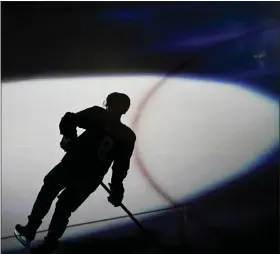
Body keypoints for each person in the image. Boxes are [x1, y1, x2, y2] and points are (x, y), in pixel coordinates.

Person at [14, 92, 136, 254]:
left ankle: (31, 228)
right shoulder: (127, 136)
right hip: (91, 177)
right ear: (125, 110)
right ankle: (49, 244)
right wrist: (116, 190)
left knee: (49, 189)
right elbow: (120, 167)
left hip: (72, 164)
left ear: (107, 104)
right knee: (64, 207)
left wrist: (70, 138)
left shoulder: (98, 114)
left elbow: (69, 119)